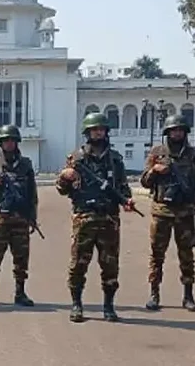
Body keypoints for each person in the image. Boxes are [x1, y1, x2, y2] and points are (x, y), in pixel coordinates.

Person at [56, 113, 135, 323]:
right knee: (78, 264)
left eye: (101, 129)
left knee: (110, 265)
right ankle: (77, 304)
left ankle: (108, 306)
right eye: (94, 129)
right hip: (84, 219)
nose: (98, 132)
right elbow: (61, 189)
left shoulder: (115, 159)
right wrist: (65, 177)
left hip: (109, 219)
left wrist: (127, 201)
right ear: (88, 132)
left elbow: (123, 188)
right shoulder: (76, 158)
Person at [140, 115, 195, 312]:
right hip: (162, 212)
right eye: (173, 130)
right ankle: (154, 294)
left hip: (185, 212)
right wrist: (155, 171)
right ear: (167, 132)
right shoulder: (157, 152)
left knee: (186, 255)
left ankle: (188, 295)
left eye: (180, 130)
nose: (177, 133)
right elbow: (144, 181)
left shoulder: (192, 154)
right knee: (157, 254)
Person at [0, 125, 38, 307]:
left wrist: (32, 217)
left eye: (12, 140)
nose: (9, 143)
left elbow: (32, 193)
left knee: (21, 258)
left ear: (17, 142)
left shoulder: (26, 164)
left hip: (20, 218)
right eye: (6, 140)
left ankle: (20, 292)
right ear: (1, 143)